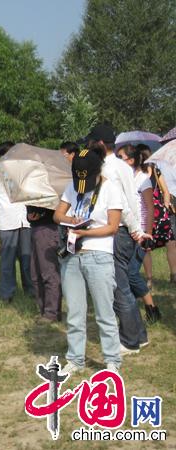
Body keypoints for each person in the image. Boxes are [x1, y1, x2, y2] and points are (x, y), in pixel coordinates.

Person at [54, 146, 122, 375]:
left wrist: (85, 232)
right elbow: (57, 215)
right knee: (74, 312)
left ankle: (112, 360)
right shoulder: (73, 187)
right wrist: (71, 219)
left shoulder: (111, 189)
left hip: (99, 256)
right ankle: (75, 359)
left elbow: (112, 227)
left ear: (99, 170)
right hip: (73, 257)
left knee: (105, 312)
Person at [84, 125, 149, 356]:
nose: (88, 146)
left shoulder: (107, 168)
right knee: (124, 288)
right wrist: (137, 229)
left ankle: (129, 341)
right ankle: (139, 336)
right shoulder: (122, 165)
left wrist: (134, 229)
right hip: (126, 230)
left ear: (100, 144)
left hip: (119, 230)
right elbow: (132, 198)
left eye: (90, 142)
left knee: (119, 288)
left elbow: (120, 202)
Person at [0, 141, 35, 303]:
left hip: (24, 221)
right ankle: (7, 293)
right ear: (3, 156)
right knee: (8, 259)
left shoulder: (22, 174)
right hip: (7, 223)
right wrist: (3, 207)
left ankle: (30, 289)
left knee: (27, 257)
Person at [117, 145, 161, 323]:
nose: (119, 161)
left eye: (122, 158)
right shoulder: (123, 179)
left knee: (132, 273)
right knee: (125, 275)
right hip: (126, 232)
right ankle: (130, 310)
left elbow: (150, 209)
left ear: (132, 160)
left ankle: (151, 307)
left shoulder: (143, 179)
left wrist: (147, 234)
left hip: (142, 233)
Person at [137, 144, 176, 288]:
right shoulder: (132, 174)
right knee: (147, 246)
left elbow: (165, 190)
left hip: (160, 213)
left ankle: (173, 274)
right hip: (144, 214)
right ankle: (150, 278)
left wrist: (165, 207)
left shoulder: (154, 170)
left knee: (171, 243)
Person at [27, 203, 62, 322]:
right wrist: (30, 215)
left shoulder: (49, 186)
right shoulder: (32, 188)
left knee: (49, 273)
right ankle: (44, 310)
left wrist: (41, 214)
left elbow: (54, 207)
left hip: (48, 230)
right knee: (35, 274)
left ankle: (52, 313)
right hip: (35, 230)